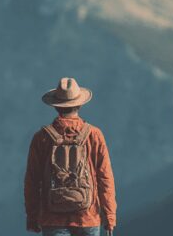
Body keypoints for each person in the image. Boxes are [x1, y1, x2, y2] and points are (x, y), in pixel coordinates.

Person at [24, 77, 117, 236]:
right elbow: (105, 178)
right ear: (79, 105)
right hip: (87, 217)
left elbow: (32, 181)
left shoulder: (41, 138)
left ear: (55, 106)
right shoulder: (94, 135)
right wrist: (109, 216)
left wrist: (32, 217)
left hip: (52, 218)